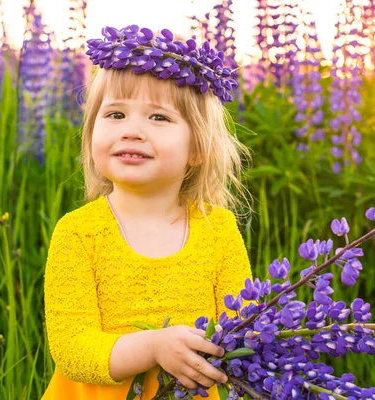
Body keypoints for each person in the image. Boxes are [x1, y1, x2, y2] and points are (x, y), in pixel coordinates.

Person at [42, 25, 254, 399]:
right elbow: (72, 349)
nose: (132, 131)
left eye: (158, 118)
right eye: (115, 115)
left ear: (197, 148)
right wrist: (154, 348)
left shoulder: (218, 229)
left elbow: (245, 329)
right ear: (91, 133)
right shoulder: (78, 232)